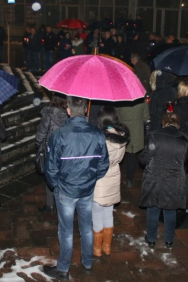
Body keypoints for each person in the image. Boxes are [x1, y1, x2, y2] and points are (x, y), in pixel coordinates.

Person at [43, 96, 109, 280]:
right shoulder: (97, 134)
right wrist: (91, 178)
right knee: (86, 227)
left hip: (66, 190)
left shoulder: (59, 134)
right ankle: (87, 263)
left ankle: (63, 268)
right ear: (86, 111)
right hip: (86, 189)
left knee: (65, 230)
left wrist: (56, 184)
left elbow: (51, 166)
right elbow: (104, 164)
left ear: (68, 110)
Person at [140, 113, 188, 249]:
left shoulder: (155, 136)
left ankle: (151, 239)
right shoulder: (184, 141)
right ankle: (169, 240)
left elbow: (144, 159)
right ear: (177, 124)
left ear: (163, 123)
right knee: (170, 211)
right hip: (174, 181)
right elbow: (184, 161)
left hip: (155, 179)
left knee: (153, 209)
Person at [92, 106, 129, 258]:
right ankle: (107, 247)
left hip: (100, 180)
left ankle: (97, 249)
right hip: (114, 176)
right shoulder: (121, 136)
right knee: (108, 213)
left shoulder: (99, 139)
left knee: (97, 215)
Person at [35, 93, 69, 213]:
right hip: (65, 151)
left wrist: (40, 147)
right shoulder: (69, 116)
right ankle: (63, 204)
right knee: (63, 177)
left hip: (50, 151)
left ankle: (50, 205)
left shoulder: (48, 116)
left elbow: (40, 136)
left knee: (50, 177)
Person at [116, 98, 150, 188]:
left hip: (123, 130)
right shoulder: (141, 100)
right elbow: (146, 117)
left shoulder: (120, 100)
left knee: (119, 155)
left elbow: (116, 116)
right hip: (136, 131)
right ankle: (129, 180)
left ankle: (117, 179)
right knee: (132, 156)